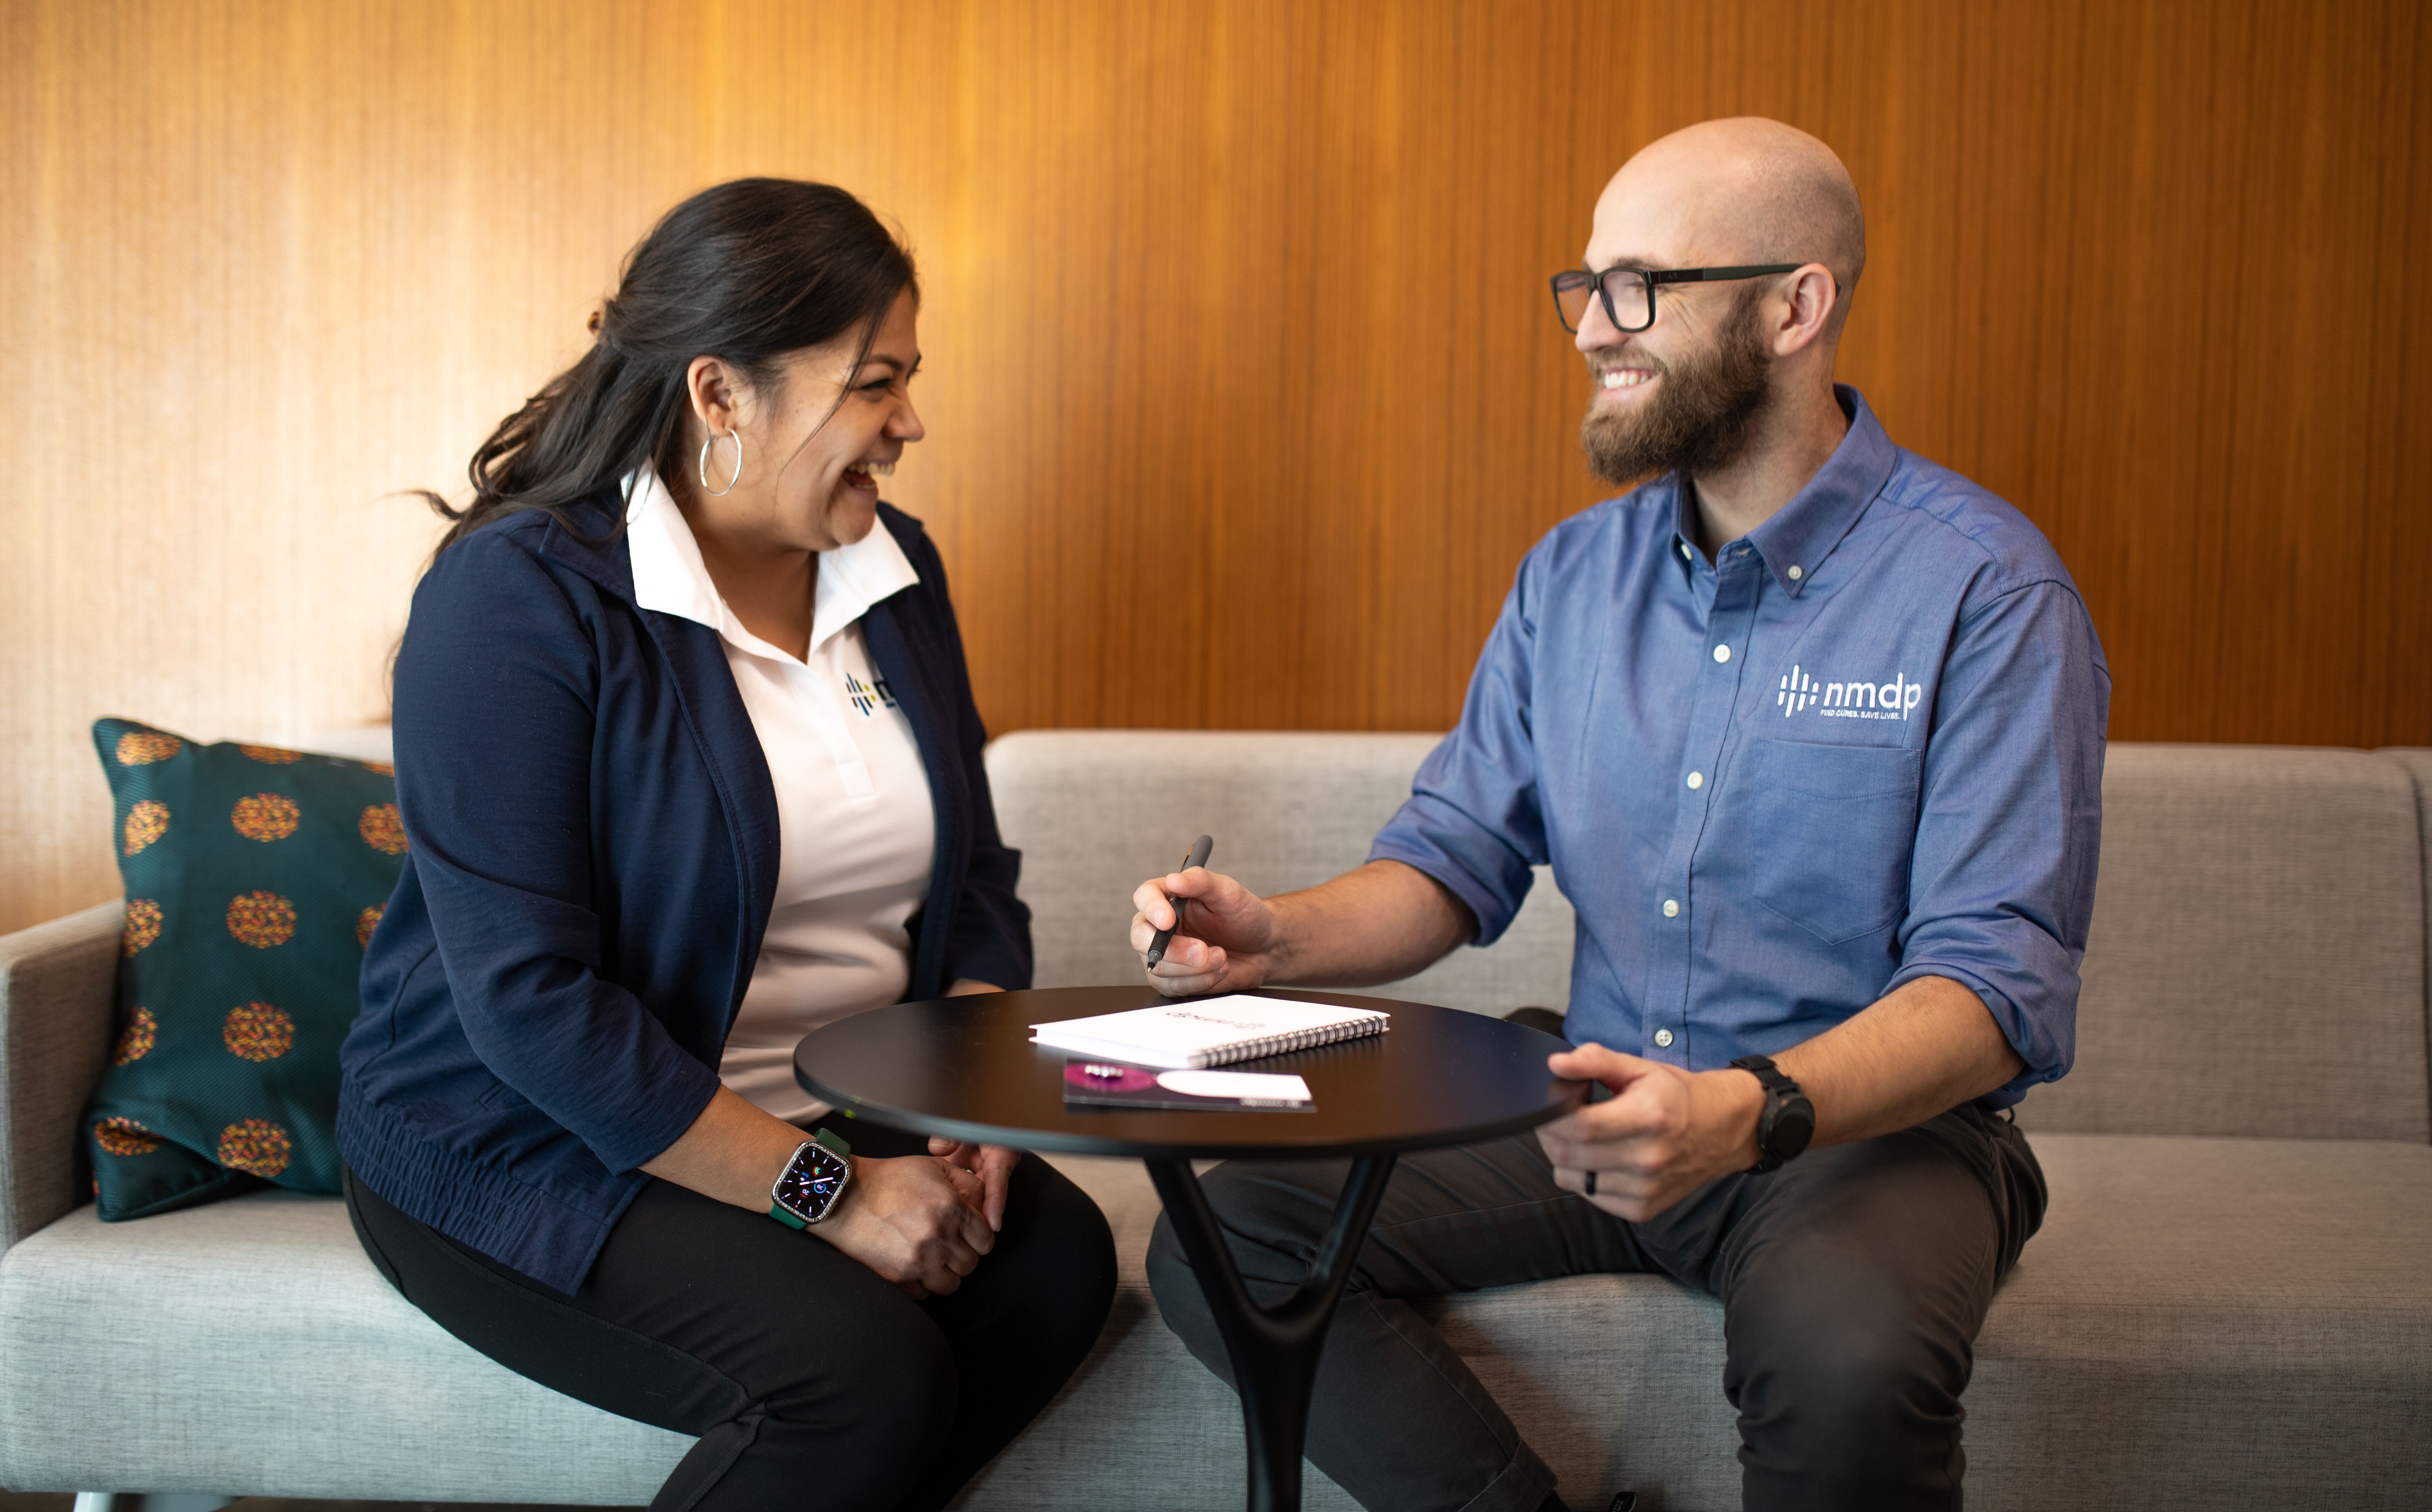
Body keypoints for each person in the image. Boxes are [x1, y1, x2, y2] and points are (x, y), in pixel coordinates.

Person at [1128, 118, 2106, 1512]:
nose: (1591, 329)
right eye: (1582, 286)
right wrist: (1273, 935)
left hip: (1858, 1136)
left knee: (1850, 1369)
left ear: (1795, 306)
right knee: (1226, 1239)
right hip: (1592, 1094)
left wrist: (1746, 1112)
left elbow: (1998, 985)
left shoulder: (1988, 594)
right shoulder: (1570, 579)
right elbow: (1454, 861)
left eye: (1638, 285)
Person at [338, 178, 1116, 1512]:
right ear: (721, 397)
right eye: (877, 385)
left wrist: (966, 1111)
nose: (912, 423)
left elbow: (976, 885)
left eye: (909, 380)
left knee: (1055, 1269)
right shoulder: (519, 598)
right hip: (530, 1137)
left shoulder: (897, 572)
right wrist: (834, 1195)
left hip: (842, 1101)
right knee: (859, 1378)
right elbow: (530, 1006)